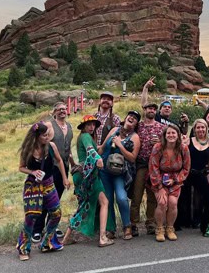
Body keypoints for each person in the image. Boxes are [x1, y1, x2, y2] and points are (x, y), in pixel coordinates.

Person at [16, 121, 70, 261]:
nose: (47, 137)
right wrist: (33, 172)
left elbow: (59, 161)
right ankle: (23, 248)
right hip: (33, 185)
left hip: (49, 183)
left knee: (56, 213)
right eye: (44, 135)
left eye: (48, 135)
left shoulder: (51, 147)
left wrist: (65, 179)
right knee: (31, 217)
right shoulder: (27, 150)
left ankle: (48, 242)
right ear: (37, 136)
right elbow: (21, 167)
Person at [61, 115, 114, 248]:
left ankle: (66, 238)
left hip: (83, 176)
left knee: (84, 205)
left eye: (93, 125)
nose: (91, 127)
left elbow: (94, 148)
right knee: (104, 202)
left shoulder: (86, 138)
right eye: (88, 124)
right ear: (83, 126)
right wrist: (98, 159)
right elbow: (91, 150)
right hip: (89, 176)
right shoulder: (85, 136)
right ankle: (102, 237)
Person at [32, 102, 75, 243]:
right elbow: (37, 132)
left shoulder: (69, 126)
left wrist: (72, 164)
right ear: (54, 112)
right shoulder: (50, 125)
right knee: (46, 198)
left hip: (64, 166)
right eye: (59, 109)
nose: (63, 111)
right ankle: (37, 229)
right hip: (51, 166)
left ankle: (52, 225)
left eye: (64, 109)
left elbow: (67, 149)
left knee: (56, 199)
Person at [99, 110, 141, 240]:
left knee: (122, 198)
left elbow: (133, 158)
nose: (132, 118)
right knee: (108, 200)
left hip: (120, 173)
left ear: (136, 123)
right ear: (126, 118)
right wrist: (93, 155)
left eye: (135, 118)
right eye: (130, 116)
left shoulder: (135, 137)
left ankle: (127, 226)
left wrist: (120, 145)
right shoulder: (114, 130)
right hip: (104, 170)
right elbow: (101, 148)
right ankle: (110, 229)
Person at [149, 125, 190, 242]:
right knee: (162, 202)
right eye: (168, 133)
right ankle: (159, 228)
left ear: (178, 135)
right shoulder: (158, 147)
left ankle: (170, 228)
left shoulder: (183, 148)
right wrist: (159, 186)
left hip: (176, 180)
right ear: (164, 135)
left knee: (172, 203)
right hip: (158, 179)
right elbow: (153, 167)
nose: (171, 135)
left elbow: (186, 168)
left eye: (173, 133)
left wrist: (176, 179)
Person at [130, 102, 164, 236]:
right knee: (136, 196)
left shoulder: (161, 127)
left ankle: (150, 222)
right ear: (144, 110)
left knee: (152, 197)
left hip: (155, 166)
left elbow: (167, 144)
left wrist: (159, 144)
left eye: (154, 109)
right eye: (149, 108)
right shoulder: (138, 126)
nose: (152, 110)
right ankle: (133, 224)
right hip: (141, 165)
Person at [177, 119, 209, 236]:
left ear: (206, 128)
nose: (200, 130)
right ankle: (176, 224)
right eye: (198, 127)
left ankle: (205, 226)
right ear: (194, 129)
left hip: (201, 174)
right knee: (180, 199)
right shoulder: (188, 141)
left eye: (203, 127)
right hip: (187, 173)